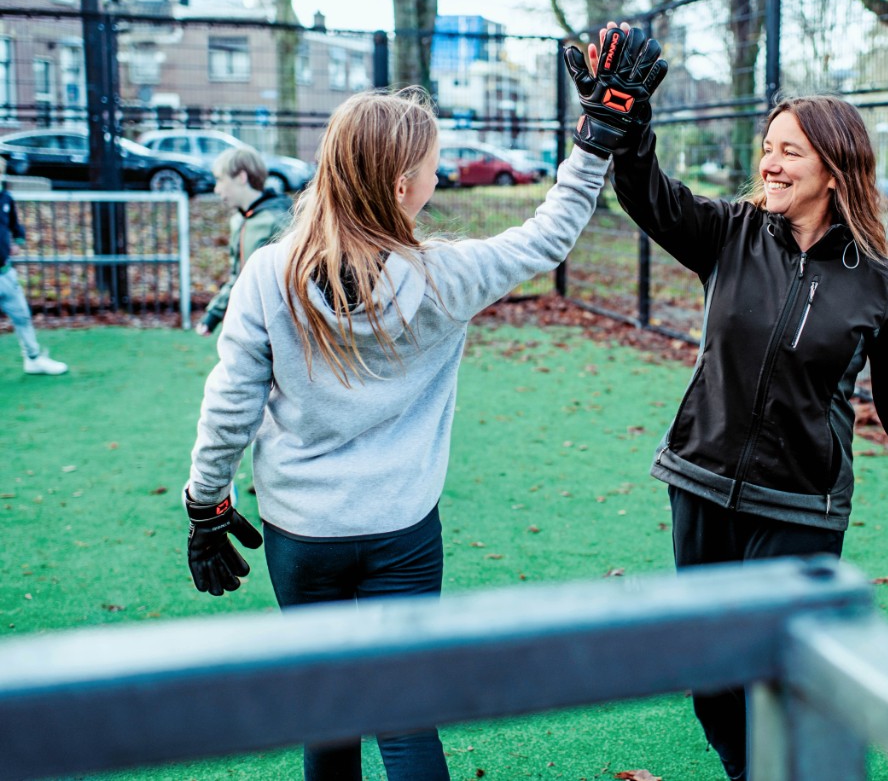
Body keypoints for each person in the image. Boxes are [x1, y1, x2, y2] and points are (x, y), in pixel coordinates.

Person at [179, 74, 645, 779]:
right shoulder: (445, 275)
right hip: (401, 530)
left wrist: (205, 503)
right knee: (403, 716)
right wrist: (594, 140)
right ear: (403, 186)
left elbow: (229, 407)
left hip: (301, 533)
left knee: (327, 712)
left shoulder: (267, 274)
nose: (438, 173)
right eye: (431, 164)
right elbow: (551, 232)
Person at [565, 24, 888, 781]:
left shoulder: (876, 281)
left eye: (790, 151)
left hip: (800, 503)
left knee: (783, 669)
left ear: (834, 170)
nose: (770, 163)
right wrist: (631, 130)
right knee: (711, 671)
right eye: (769, 147)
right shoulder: (731, 233)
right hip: (702, 481)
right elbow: (649, 195)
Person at [196, 146, 293, 336]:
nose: (216, 189)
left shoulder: (280, 220)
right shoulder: (240, 221)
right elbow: (238, 277)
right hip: (248, 323)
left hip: (277, 327)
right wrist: (213, 315)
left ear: (241, 177)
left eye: (220, 179)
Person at [0, 157, 68, 375]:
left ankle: (33, 359)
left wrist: (17, 241)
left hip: (4, 273)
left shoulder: (5, 198)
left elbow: (14, 225)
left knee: (22, 315)